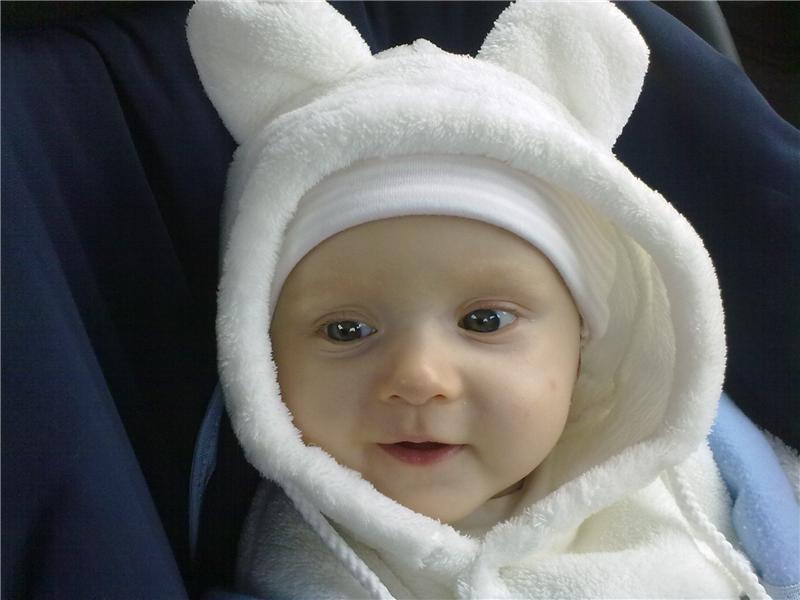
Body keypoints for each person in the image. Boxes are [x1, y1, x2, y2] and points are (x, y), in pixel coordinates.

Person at [186, 1, 799, 598]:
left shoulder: (698, 462)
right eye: (345, 331)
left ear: (585, 338)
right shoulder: (300, 567)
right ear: (259, 357)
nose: (418, 378)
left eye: (484, 321)